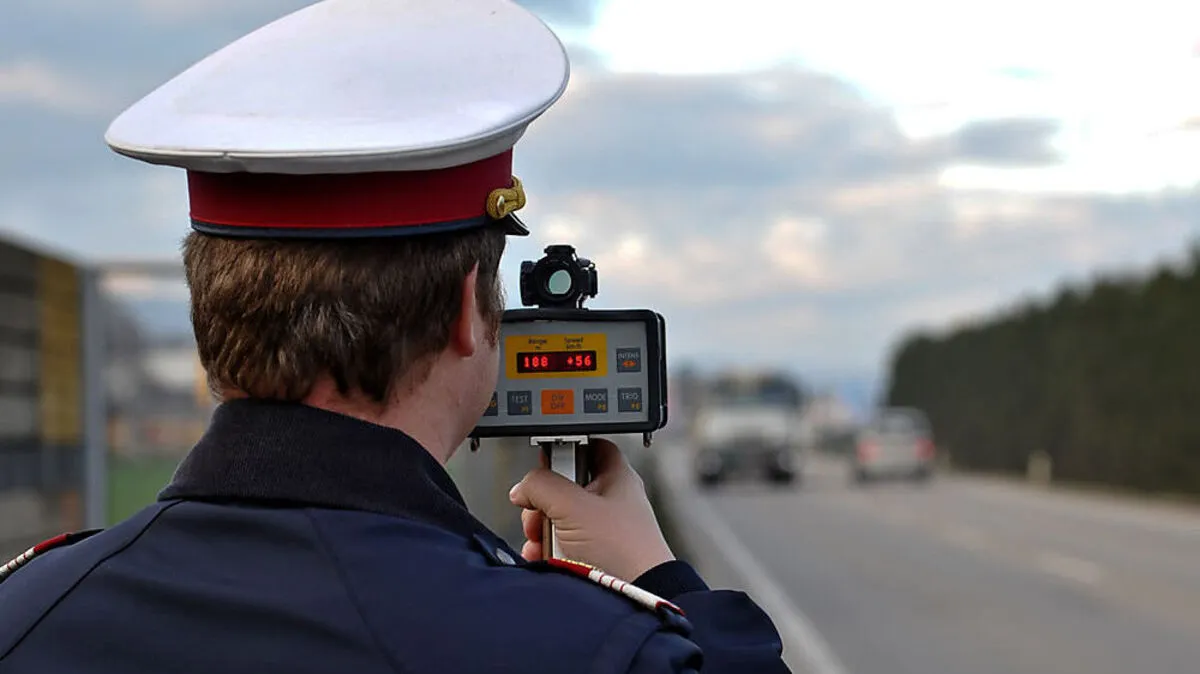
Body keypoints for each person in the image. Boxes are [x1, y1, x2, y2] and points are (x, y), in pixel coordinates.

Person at [0, 1, 791, 672]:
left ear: (209, 305)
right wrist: (659, 582)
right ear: (464, 310)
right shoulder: (586, 648)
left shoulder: (27, 614)